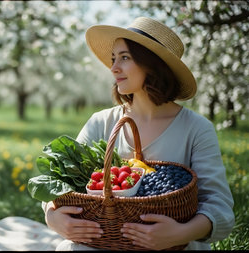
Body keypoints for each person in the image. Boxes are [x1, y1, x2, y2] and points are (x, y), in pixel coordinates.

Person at [42, 17, 235, 250]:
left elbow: (220, 208)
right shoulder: (102, 122)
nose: (113, 68)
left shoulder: (196, 128)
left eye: (125, 58)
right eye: (114, 58)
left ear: (152, 64)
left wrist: (180, 233)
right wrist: (52, 217)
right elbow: (57, 182)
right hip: (108, 242)